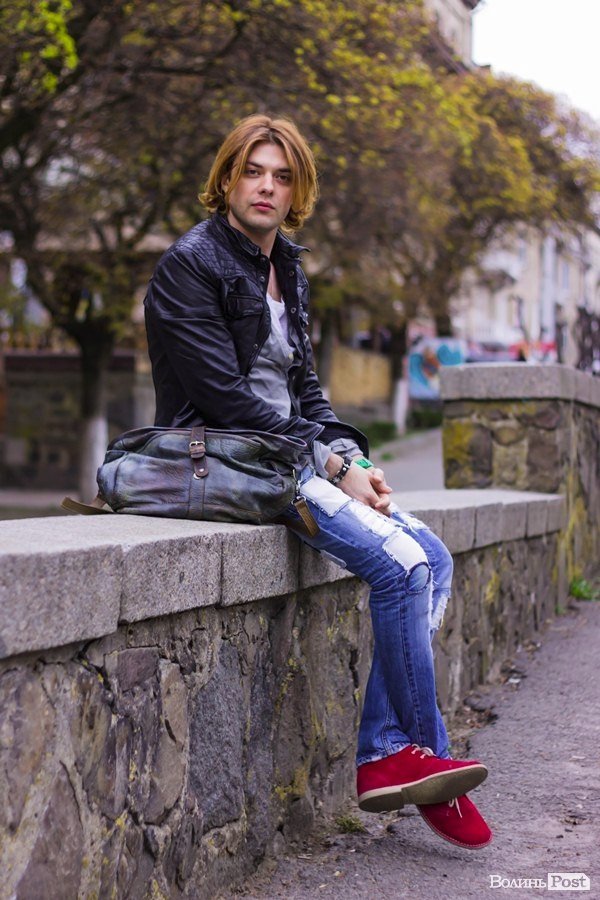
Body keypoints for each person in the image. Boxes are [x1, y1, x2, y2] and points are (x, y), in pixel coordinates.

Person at [144, 114, 492, 850]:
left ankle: (386, 748)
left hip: (290, 457)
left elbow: (305, 391)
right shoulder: (189, 265)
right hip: (232, 463)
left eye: (282, 176)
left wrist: (354, 460)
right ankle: (422, 755)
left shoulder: (288, 267)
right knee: (401, 567)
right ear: (226, 179)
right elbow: (223, 399)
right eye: (252, 172)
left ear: (297, 190)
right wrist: (329, 464)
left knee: (434, 560)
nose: (266, 187)